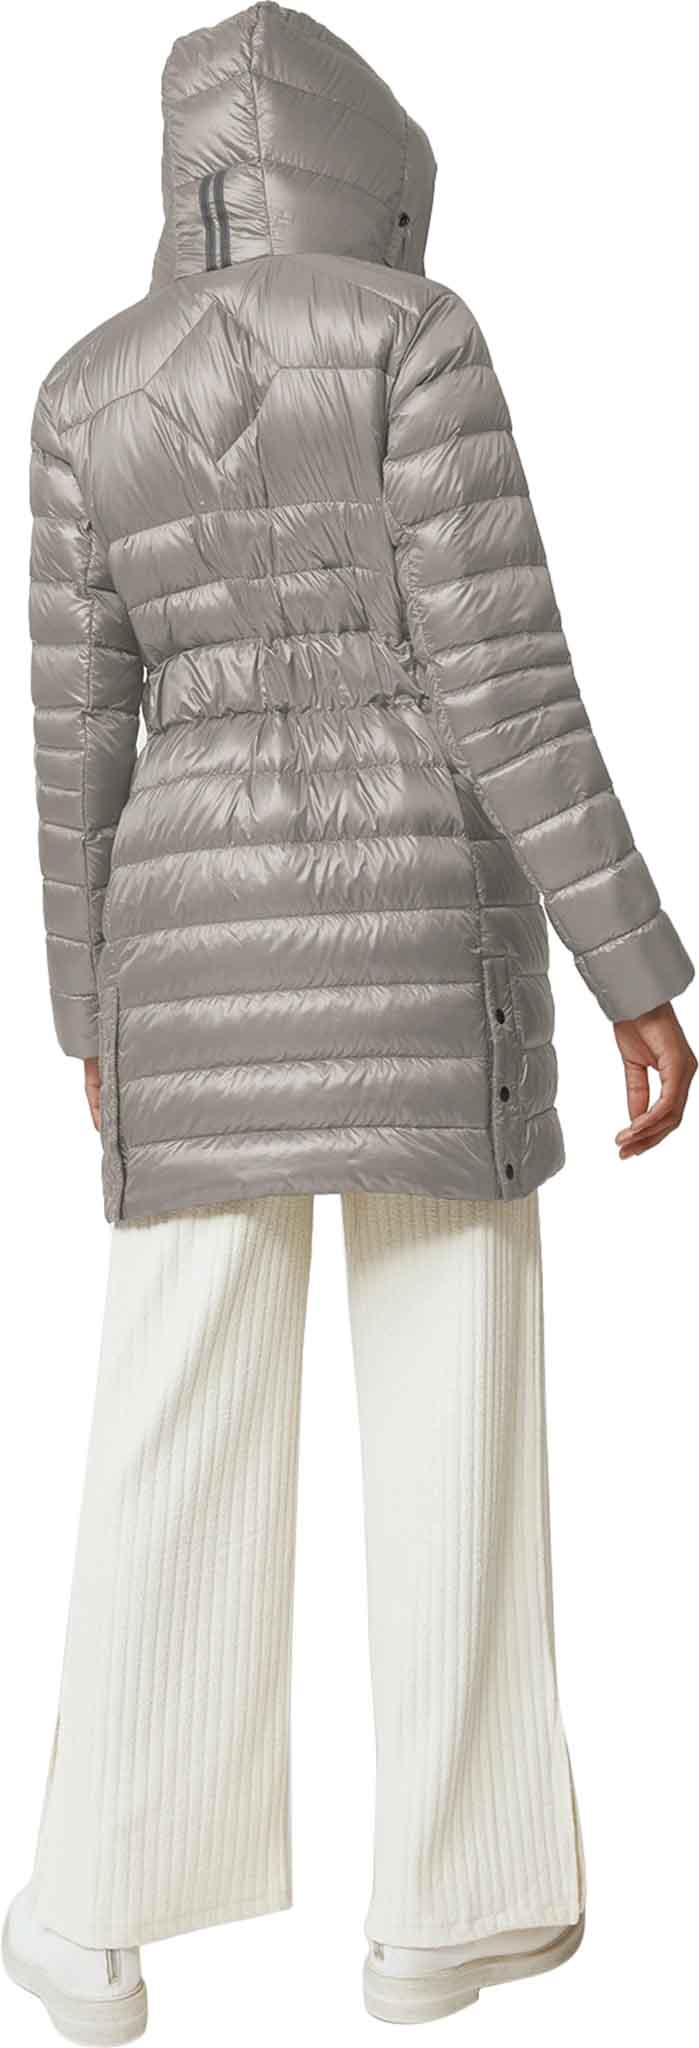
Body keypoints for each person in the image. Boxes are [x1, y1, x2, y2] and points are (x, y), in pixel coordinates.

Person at [4, 5, 695, 2039]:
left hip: (184, 949)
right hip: (417, 923)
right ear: (364, 158)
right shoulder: (414, 336)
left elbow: (73, 737)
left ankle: (90, 1914)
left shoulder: (81, 390)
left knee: (169, 1420)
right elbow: (503, 673)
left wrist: (88, 1008)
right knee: (453, 1396)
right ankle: (444, 1911)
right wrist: (633, 968)